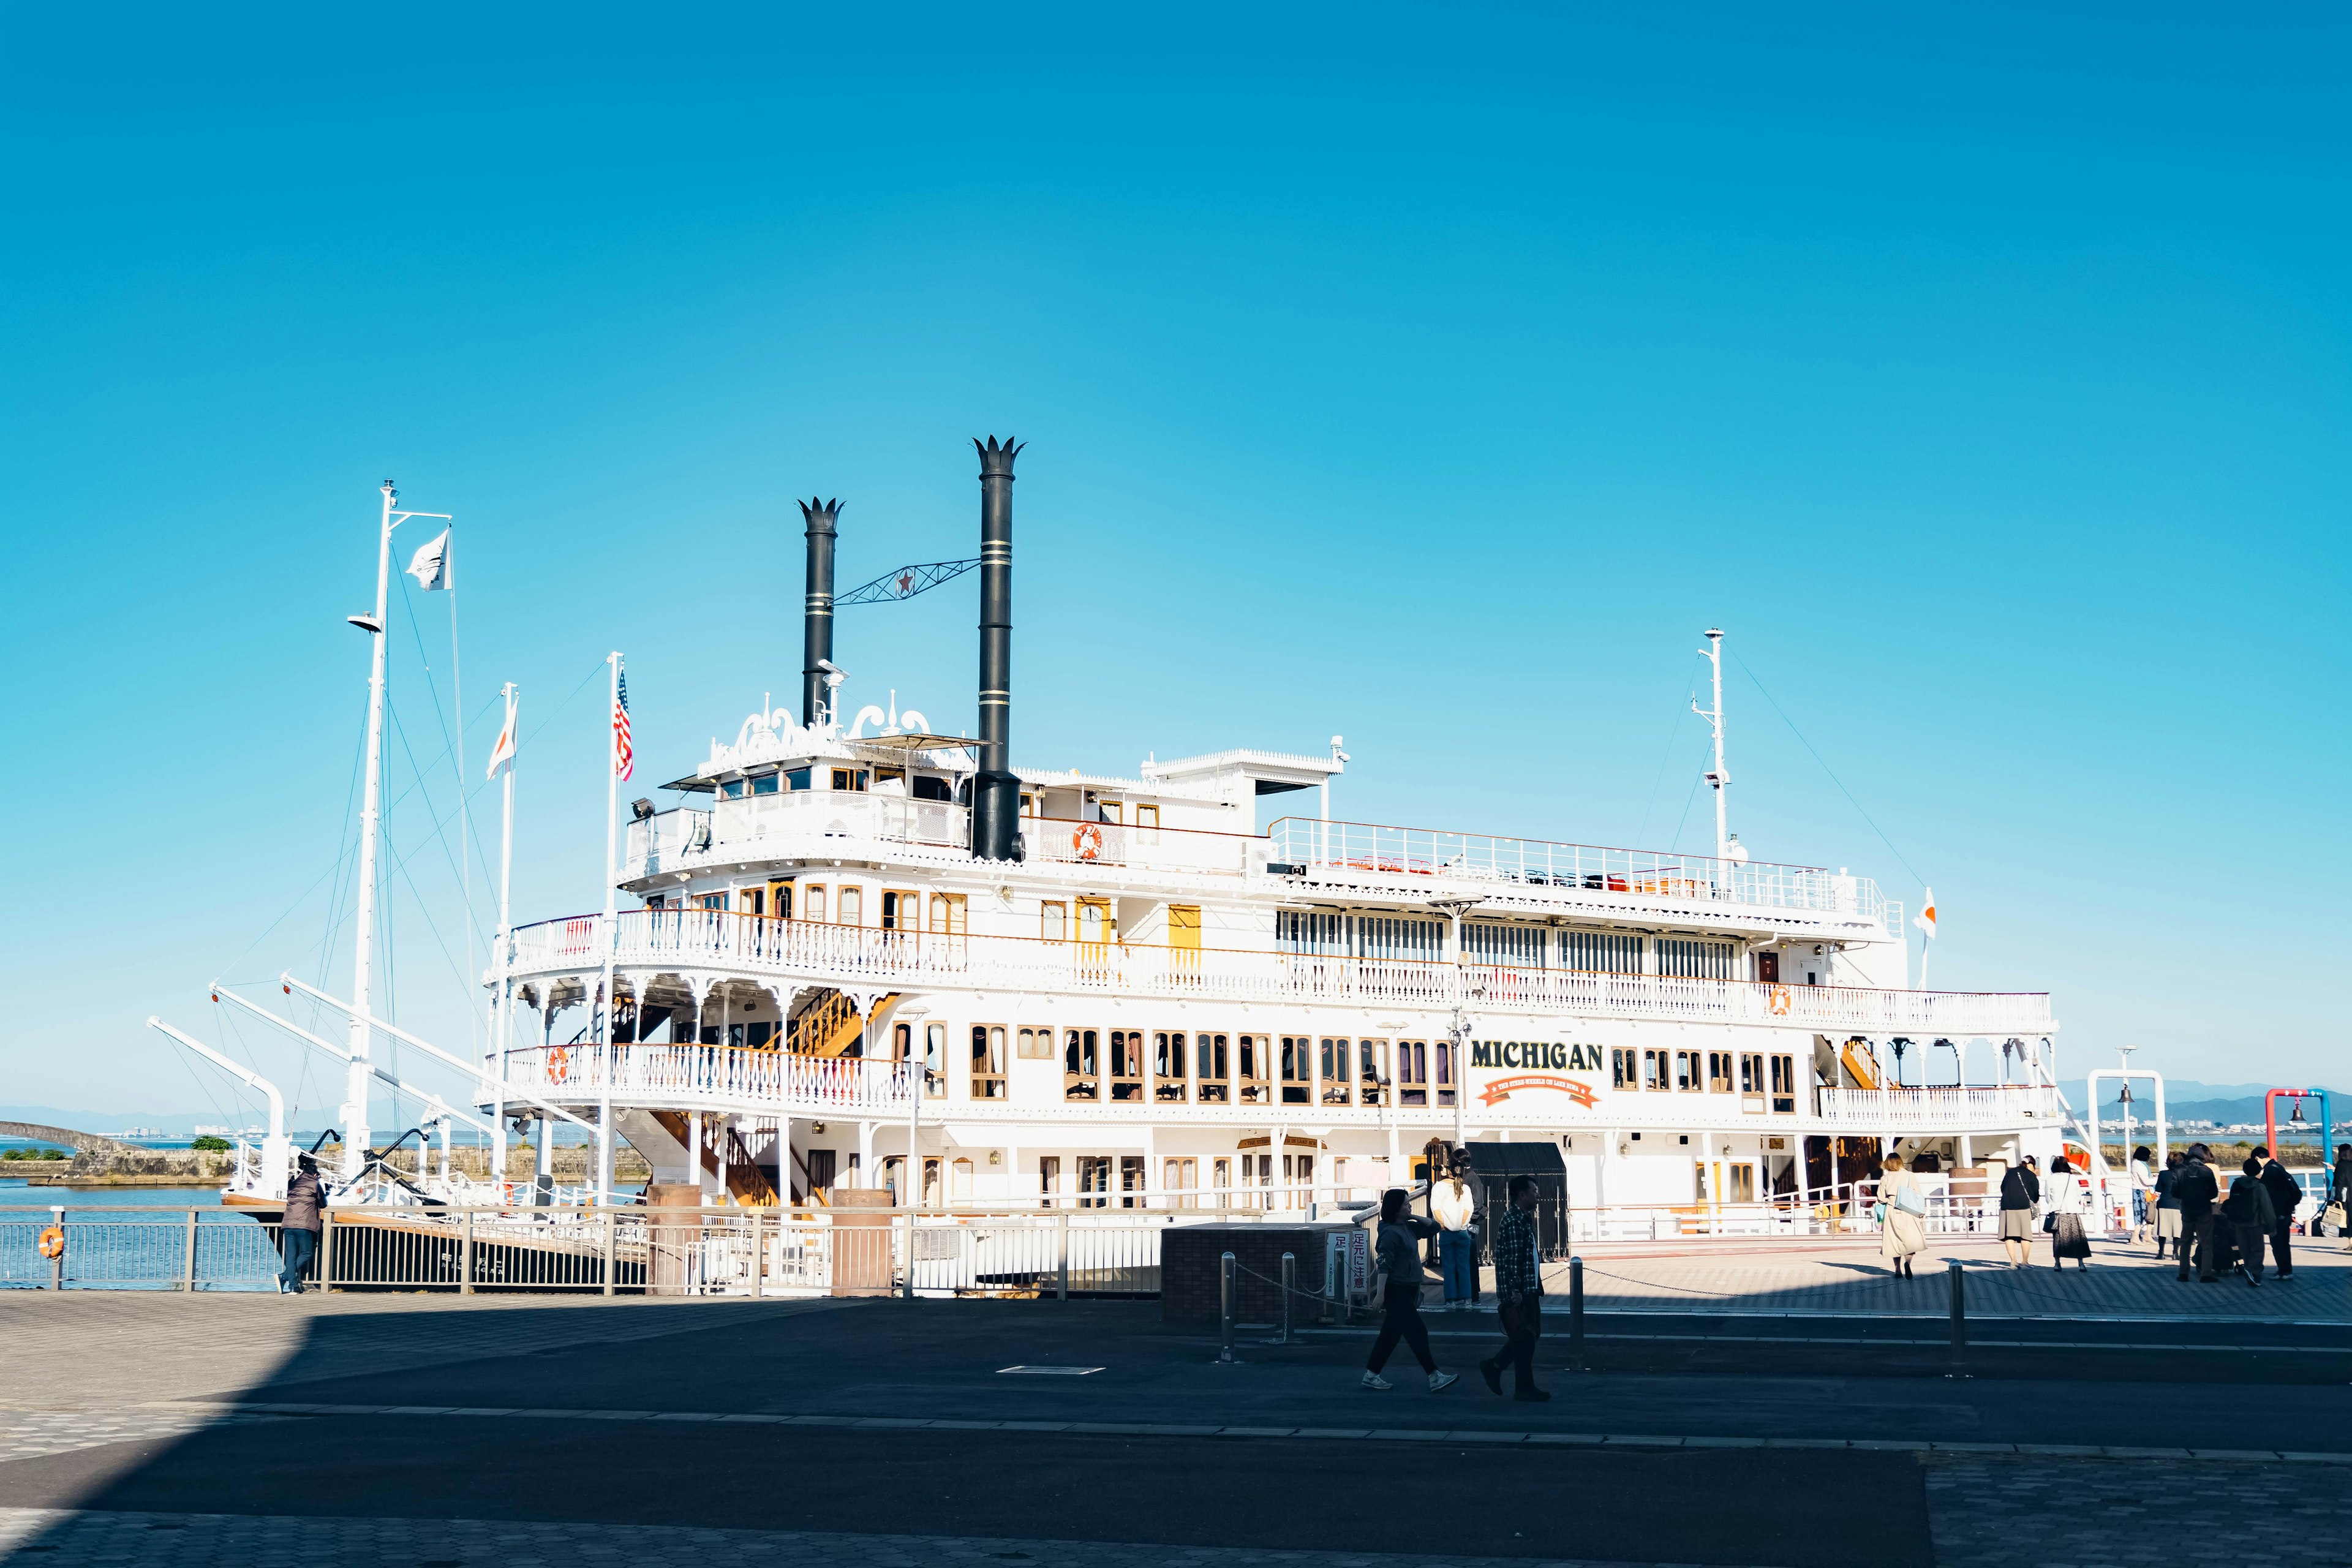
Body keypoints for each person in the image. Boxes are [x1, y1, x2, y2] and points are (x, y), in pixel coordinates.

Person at [1362, 1188, 1458, 1392]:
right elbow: (1384, 1265)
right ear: (1396, 1209)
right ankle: (1434, 1376)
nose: (1410, 1206)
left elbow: (1434, 1227)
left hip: (1408, 1289)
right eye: (1406, 1204)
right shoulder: (1389, 1233)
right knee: (1417, 1331)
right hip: (1396, 1290)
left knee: (1390, 1335)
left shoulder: (1408, 1227)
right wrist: (1380, 1294)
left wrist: (1412, 1216)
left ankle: (1371, 1374)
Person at [1477, 1174, 1548, 1401]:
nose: (1538, 1196)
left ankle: (1496, 1367)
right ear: (1522, 1194)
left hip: (1528, 1287)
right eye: (1534, 1191)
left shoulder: (1522, 1218)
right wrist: (1516, 1291)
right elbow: (1513, 1258)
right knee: (1526, 1336)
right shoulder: (1516, 1220)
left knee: (1526, 1335)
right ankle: (1521, 1385)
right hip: (1521, 1290)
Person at [1431, 1151, 1479, 1311]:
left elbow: (1435, 1208)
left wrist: (1442, 1224)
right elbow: (1469, 1209)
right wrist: (1463, 1224)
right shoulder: (1465, 1187)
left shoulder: (1439, 1186)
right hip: (1462, 1233)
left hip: (1446, 1233)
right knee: (1464, 1267)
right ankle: (1467, 1300)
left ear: (1449, 1170)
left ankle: (1450, 1301)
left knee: (1449, 1268)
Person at [2224, 1155, 2277, 1287]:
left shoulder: (2237, 1184)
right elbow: (2267, 1207)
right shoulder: (2259, 1186)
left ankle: (2248, 1267)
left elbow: (2232, 1203)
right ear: (2259, 1170)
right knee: (2257, 1248)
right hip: (2255, 1221)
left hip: (2238, 1221)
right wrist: (2272, 1225)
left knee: (2244, 1247)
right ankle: (2253, 1271)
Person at [2172, 1143, 2221, 1283]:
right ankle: (2206, 1274)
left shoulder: (2179, 1170)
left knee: (2186, 1242)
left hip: (2187, 1209)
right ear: (2202, 1157)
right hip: (2204, 1209)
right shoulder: (2206, 1171)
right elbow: (2214, 1193)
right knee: (2207, 1242)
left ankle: (2183, 1273)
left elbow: (2174, 1192)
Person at [279, 1154, 325, 1295]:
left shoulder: (293, 1183)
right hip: (304, 1225)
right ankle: (285, 1276)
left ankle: (292, 1286)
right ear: (315, 1174)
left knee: (291, 1256)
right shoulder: (315, 1185)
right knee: (307, 1253)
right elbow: (324, 1204)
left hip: (288, 1224)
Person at [2255, 1147, 2302, 1281]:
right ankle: (2287, 1270)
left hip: (2277, 1212)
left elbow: (2271, 1195)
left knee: (2277, 1243)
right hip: (2286, 1211)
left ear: (2258, 1158)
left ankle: (2283, 1270)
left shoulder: (2270, 1171)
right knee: (2284, 1243)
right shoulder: (2278, 1167)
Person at [1878, 1153, 1928, 1278]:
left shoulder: (1886, 1178)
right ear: (1901, 1162)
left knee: (1894, 1242)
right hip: (1908, 1210)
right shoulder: (1909, 1176)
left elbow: (1881, 1198)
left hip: (1892, 1210)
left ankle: (1897, 1270)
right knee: (1910, 1241)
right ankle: (1908, 1263)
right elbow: (1918, 1193)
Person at [2045, 1156, 2090, 1270]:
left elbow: (2047, 1198)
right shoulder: (2073, 1178)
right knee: (2077, 1238)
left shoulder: (2050, 1179)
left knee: (2058, 1240)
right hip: (2072, 1211)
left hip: (2058, 1213)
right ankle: (2081, 1264)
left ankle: (2057, 1264)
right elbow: (2078, 1195)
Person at [1999, 1155, 2040, 1268]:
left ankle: (2013, 1262)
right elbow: (2035, 1194)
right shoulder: (2031, 1175)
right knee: (2025, 1235)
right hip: (2023, 1206)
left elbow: (2003, 1188)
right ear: (2031, 1165)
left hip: (2007, 1206)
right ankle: (2025, 1262)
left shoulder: (2010, 1173)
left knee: (2009, 1235)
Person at [2153, 1150, 2183, 1259]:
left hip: (2164, 1203)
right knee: (2177, 1231)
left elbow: (2158, 1189)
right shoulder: (2184, 1173)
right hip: (2178, 1205)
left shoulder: (2163, 1174)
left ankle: (2161, 1253)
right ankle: (2175, 1253)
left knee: (2163, 1231)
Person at [2128, 1145, 2154, 1244]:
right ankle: (2135, 1236)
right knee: (2142, 1214)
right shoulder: (2139, 1165)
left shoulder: (2136, 1164)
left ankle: (2148, 1235)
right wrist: (2158, 1179)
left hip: (2141, 1191)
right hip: (2142, 1192)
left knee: (2149, 1214)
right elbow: (2146, 1181)